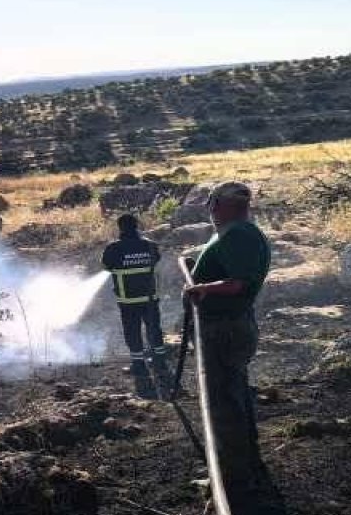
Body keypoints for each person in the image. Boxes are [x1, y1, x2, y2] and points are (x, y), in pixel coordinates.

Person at [183, 181, 272, 496]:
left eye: (211, 204)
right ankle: (244, 467)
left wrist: (204, 288)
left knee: (223, 402)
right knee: (233, 394)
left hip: (224, 328)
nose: (210, 211)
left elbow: (239, 283)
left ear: (220, 205)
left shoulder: (238, 234)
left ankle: (232, 482)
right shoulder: (238, 234)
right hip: (228, 325)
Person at [101, 213, 169, 399]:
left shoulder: (114, 248)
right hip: (149, 297)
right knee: (154, 328)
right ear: (137, 225)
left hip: (128, 300)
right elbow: (156, 259)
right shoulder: (149, 245)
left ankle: (139, 365)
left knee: (132, 331)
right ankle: (160, 362)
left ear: (120, 227)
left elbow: (106, 266)